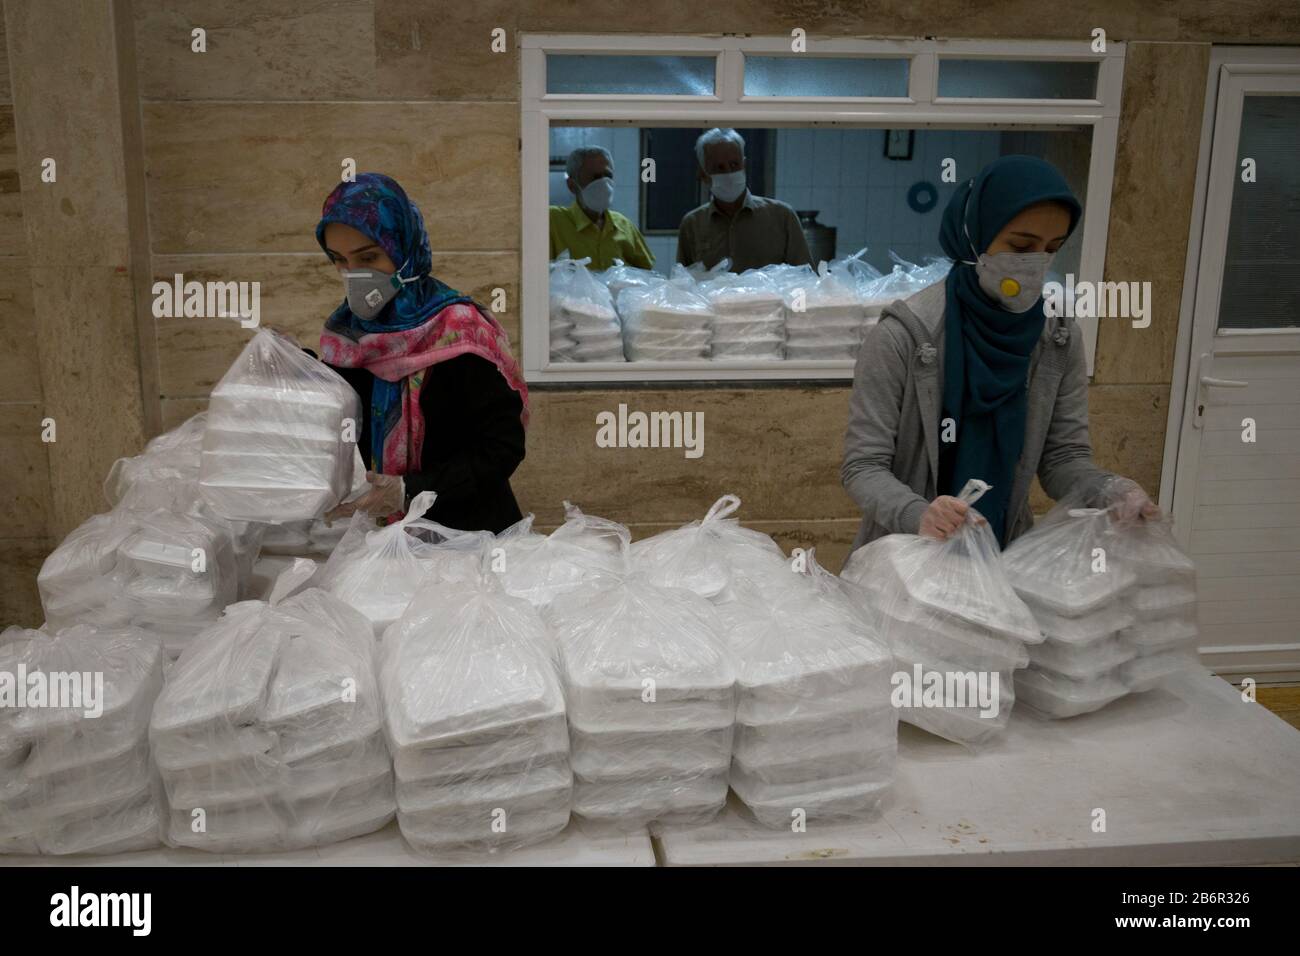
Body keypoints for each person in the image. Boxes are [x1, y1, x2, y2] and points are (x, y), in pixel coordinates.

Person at [841, 155, 1157, 556]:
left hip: (1004, 554)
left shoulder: (1056, 339)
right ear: (975, 237)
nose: (1035, 262)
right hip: (905, 562)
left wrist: (1110, 491)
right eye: (1021, 246)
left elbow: (1063, 458)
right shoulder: (905, 336)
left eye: (1051, 249)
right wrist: (919, 513)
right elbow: (863, 466)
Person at [314, 172, 530, 533]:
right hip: (383, 540)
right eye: (338, 259)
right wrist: (292, 363)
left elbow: (501, 447)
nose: (353, 273)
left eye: (368, 256)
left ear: (403, 248)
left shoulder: (460, 332)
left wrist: (410, 492)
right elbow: (341, 399)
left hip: (468, 537)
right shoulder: (349, 333)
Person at [676, 128, 811, 273]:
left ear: (744, 165)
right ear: (703, 174)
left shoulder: (782, 216)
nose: (728, 173)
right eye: (719, 167)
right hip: (711, 297)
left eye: (734, 165)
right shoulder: (692, 224)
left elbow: (805, 279)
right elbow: (683, 286)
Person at [549, 146, 654, 270]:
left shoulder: (624, 225)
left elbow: (646, 274)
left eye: (608, 176)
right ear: (572, 185)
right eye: (595, 177)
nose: (604, 184)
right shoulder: (553, 221)